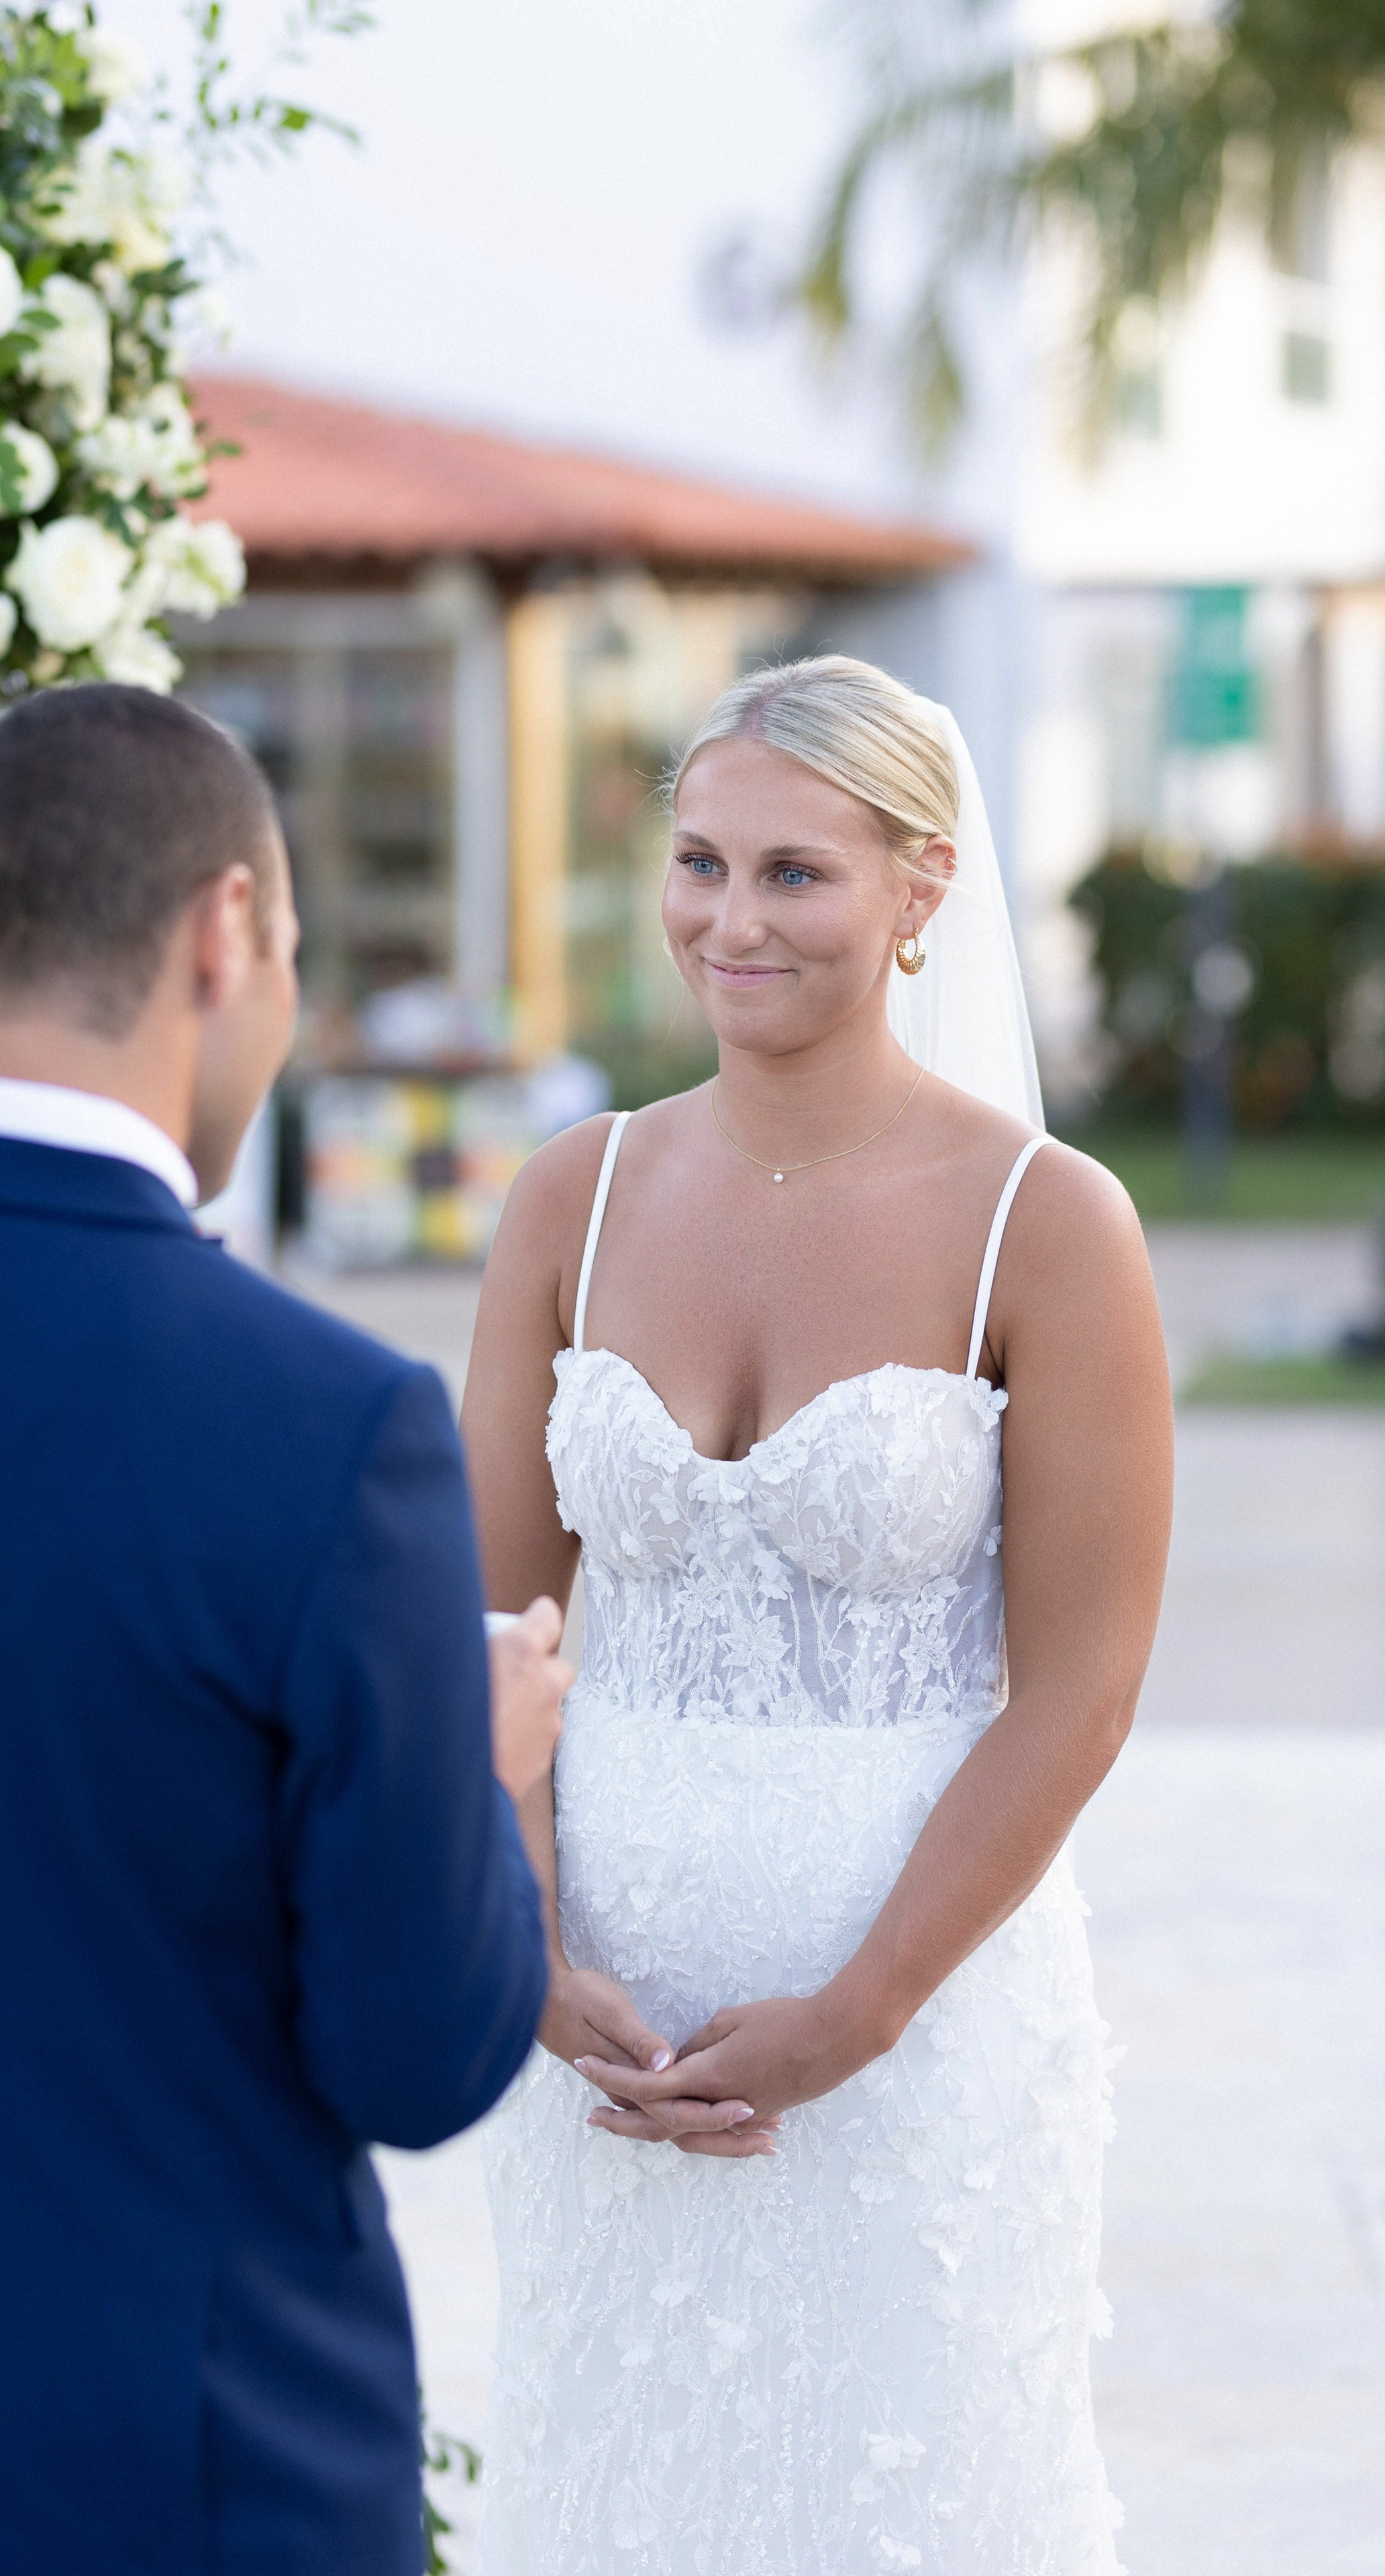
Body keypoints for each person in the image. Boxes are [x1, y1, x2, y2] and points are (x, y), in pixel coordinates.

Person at [0, 682, 567, 2576]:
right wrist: (487, 1783)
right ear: (227, 930)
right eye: (298, 948)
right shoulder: (334, 1430)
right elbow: (418, 2057)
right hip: (181, 2481)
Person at [462, 655, 1174, 2574]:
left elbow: (1085, 1689)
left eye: (797, 874)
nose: (730, 919)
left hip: (917, 2040)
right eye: (700, 863)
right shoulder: (571, 1197)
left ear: (924, 889)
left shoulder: (1051, 1221)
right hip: (604, 2045)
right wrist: (520, 1931)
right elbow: (492, 1623)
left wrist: (863, 2011)